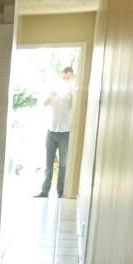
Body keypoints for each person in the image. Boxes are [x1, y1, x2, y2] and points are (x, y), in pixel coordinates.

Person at [35, 65, 74, 198]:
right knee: (48, 164)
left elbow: (74, 103)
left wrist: (70, 89)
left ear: (71, 76)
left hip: (66, 133)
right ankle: (44, 191)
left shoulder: (73, 91)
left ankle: (61, 191)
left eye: (67, 77)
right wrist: (52, 94)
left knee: (64, 165)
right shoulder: (54, 91)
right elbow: (45, 103)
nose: (65, 80)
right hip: (51, 132)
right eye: (63, 77)